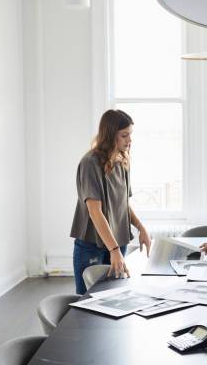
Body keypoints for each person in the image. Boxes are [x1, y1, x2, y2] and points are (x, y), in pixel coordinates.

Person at [70, 109, 152, 295]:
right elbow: (94, 211)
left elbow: (123, 205)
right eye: (124, 135)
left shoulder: (122, 161)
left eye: (130, 135)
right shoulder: (90, 163)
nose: (129, 140)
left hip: (117, 242)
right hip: (93, 246)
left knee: (115, 298)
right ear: (109, 135)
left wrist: (141, 227)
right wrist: (113, 249)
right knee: (87, 302)